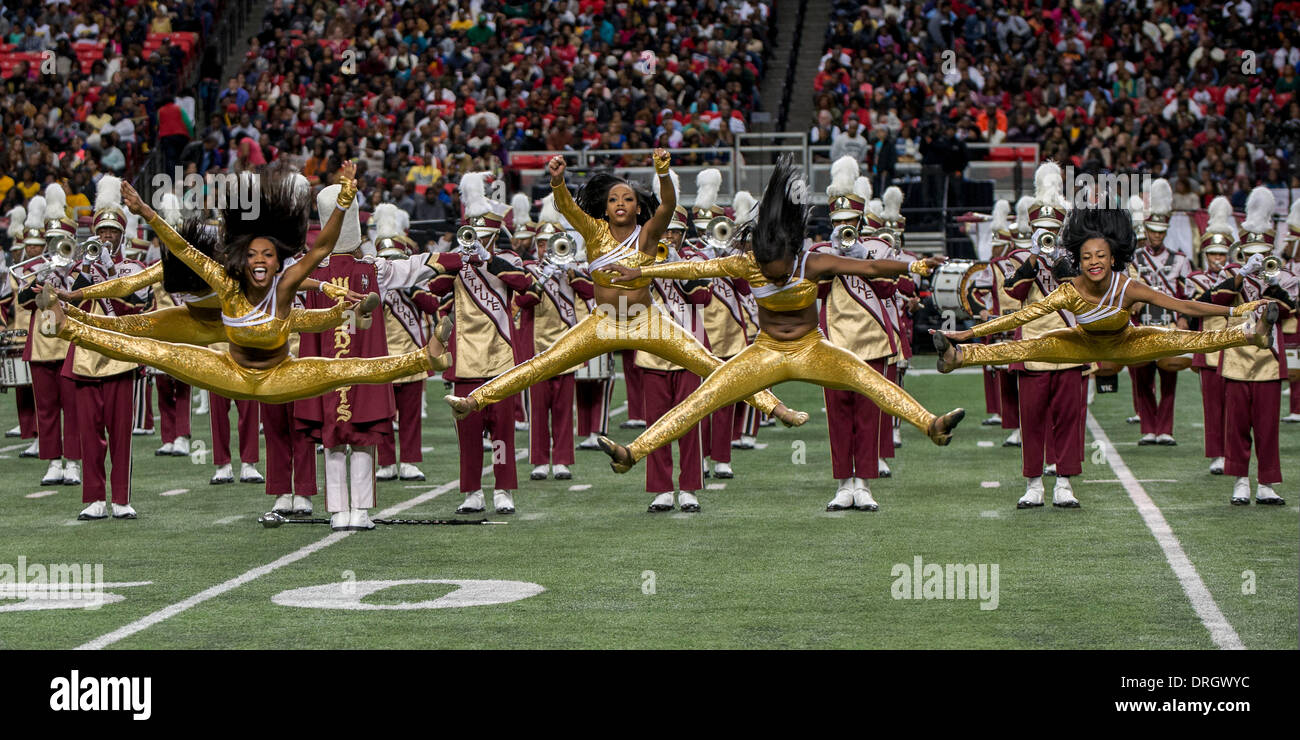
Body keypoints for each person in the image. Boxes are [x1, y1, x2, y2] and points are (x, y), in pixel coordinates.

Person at [597, 156, 965, 479]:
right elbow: (694, 269)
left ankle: (931, 424)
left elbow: (870, 267)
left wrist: (915, 265)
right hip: (766, 352)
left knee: (868, 380)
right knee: (702, 398)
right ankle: (633, 453)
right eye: (767, 272)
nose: (773, 278)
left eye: (779, 272)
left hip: (812, 348)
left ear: (792, 253)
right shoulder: (748, 262)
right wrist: (641, 272)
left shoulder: (813, 262)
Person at [442, 151, 805, 432]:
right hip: (602, 322)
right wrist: (557, 180)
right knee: (543, 363)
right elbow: (566, 206)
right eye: (614, 198)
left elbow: (667, 206)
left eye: (628, 199)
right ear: (605, 206)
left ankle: (777, 408)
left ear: (637, 206)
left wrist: (663, 172)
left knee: (712, 365)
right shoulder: (594, 232)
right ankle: (474, 400)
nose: (620, 203)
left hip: (645, 321)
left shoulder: (647, 234)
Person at [36, 162, 450, 404]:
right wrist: (145, 210)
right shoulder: (225, 281)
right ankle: (66, 322)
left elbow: (322, 247)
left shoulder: (286, 285)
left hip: (280, 375)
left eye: (267, 256)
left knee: (349, 369)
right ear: (242, 260)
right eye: (252, 256)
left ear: (277, 261)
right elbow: (181, 248)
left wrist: (344, 197)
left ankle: (424, 358)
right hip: (230, 372)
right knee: (153, 350)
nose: (259, 261)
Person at [1211, 188, 1296, 505]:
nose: (1257, 260)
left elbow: (1291, 310)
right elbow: (1216, 299)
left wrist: (1274, 285)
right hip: (1237, 356)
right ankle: (1240, 481)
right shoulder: (1231, 273)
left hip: (1269, 360)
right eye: (1251, 253)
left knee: (1267, 427)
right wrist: (1241, 275)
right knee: (1236, 426)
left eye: (1261, 253)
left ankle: (1267, 483)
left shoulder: (1283, 275)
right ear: (1243, 250)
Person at [1127, 179, 1192, 446]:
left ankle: (1165, 429)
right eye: (1152, 231)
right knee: (1142, 378)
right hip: (1141, 324)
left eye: (1160, 232)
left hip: (1168, 324)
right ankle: (1148, 427)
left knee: (1169, 376)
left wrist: (1184, 318)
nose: (1156, 236)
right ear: (1146, 229)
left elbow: (1187, 294)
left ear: (1165, 232)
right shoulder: (1133, 258)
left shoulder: (1180, 259)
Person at [1183, 197, 1237, 474]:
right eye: (1213, 254)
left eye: (1222, 254)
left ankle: (1234, 453)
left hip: (1235, 348)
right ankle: (1217, 454)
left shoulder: (1239, 277)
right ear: (1205, 255)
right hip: (1208, 347)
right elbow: (1195, 309)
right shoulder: (1196, 278)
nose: (1217, 259)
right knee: (1213, 405)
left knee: (1236, 406)